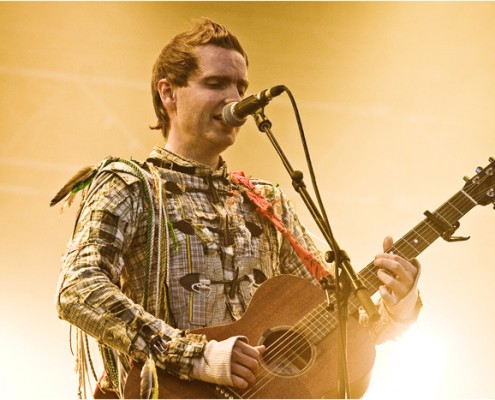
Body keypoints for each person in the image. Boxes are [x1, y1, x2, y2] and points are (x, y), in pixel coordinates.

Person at [54, 17, 422, 399]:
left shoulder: (268, 203)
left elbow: (333, 326)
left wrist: (398, 307)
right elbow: (77, 288)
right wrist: (198, 355)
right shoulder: (130, 184)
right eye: (215, 84)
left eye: (240, 86)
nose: (235, 99)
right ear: (168, 93)